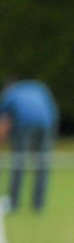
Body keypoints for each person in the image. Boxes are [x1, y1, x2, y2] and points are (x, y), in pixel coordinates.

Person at [0, 77, 59, 213]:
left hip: (24, 124)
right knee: (42, 163)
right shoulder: (38, 86)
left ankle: (13, 203)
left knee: (18, 162)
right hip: (47, 123)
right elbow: (52, 109)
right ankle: (38, 205)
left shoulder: (10, 93)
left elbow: (3, 123)